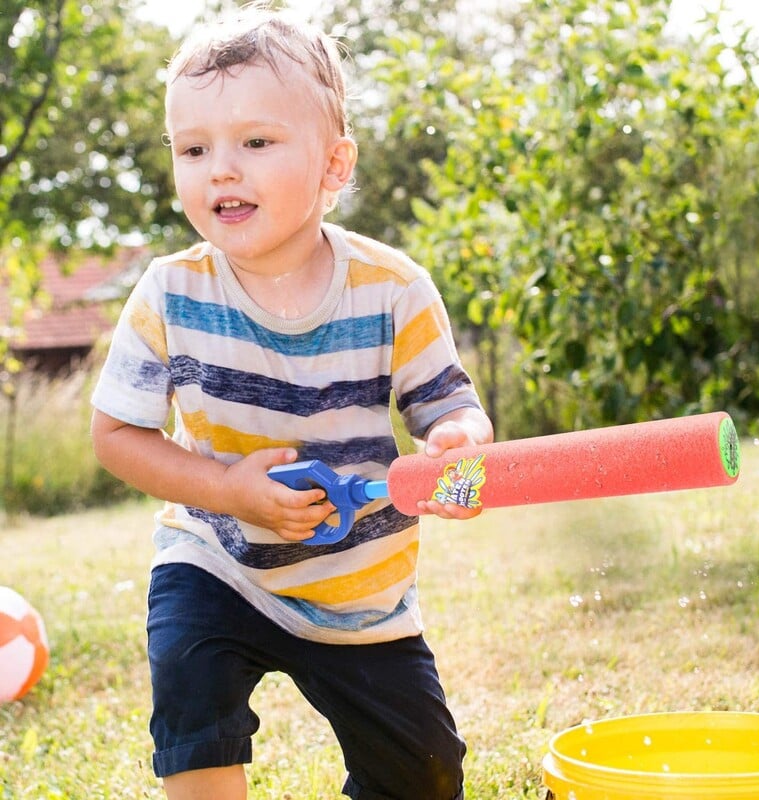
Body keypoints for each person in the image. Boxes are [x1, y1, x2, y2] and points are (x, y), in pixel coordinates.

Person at [90, 4, 493, 799]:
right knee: (191, 693)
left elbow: (448, 406)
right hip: (218, 561)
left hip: (358, 583)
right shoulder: (170, 292)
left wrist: (458, 443)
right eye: (194, 149)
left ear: (334, 166)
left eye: (256, 142)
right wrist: (227, 492)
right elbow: (116, 435)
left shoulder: (393, 290)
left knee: (426, 771)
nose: (221, 170)